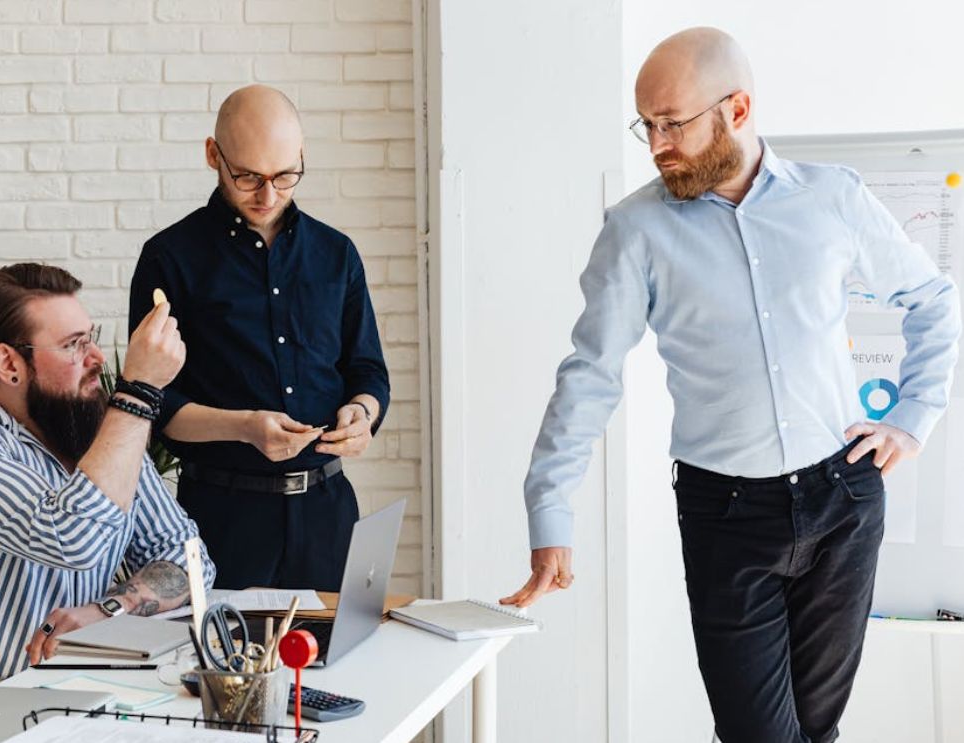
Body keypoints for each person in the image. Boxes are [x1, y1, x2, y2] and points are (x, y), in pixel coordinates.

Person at [501, 27, 961, 743]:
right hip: (725, 515)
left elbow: (932, 298)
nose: (655, 144)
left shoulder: (831, 198)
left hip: (842, 497)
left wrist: (912, 415)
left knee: (815, 731)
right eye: (645, 125)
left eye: (671, 124)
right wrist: (549, 513)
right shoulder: (635, 230)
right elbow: (588, 374)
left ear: (737, 109)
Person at [0, 262, 215, 719]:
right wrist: (138, 392)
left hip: (63, 698)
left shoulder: (100, 435)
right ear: (9, 364)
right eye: (74, 346)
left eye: (90, 337)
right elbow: (70, 538)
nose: (97, 359)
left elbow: (191, 561)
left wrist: (113, 606)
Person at [127, 84, 390, 591]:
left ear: (301, 156)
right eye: (247, 176)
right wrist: (244, 426)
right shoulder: (169, 257)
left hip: (328, 515)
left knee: (338, 665)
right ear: (213, 155)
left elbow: (367, 370)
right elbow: (152, 403)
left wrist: (363, 413)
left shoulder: (337, 253)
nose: (268, 195)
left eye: (286, 175)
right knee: (223, 669)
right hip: (221, 521)